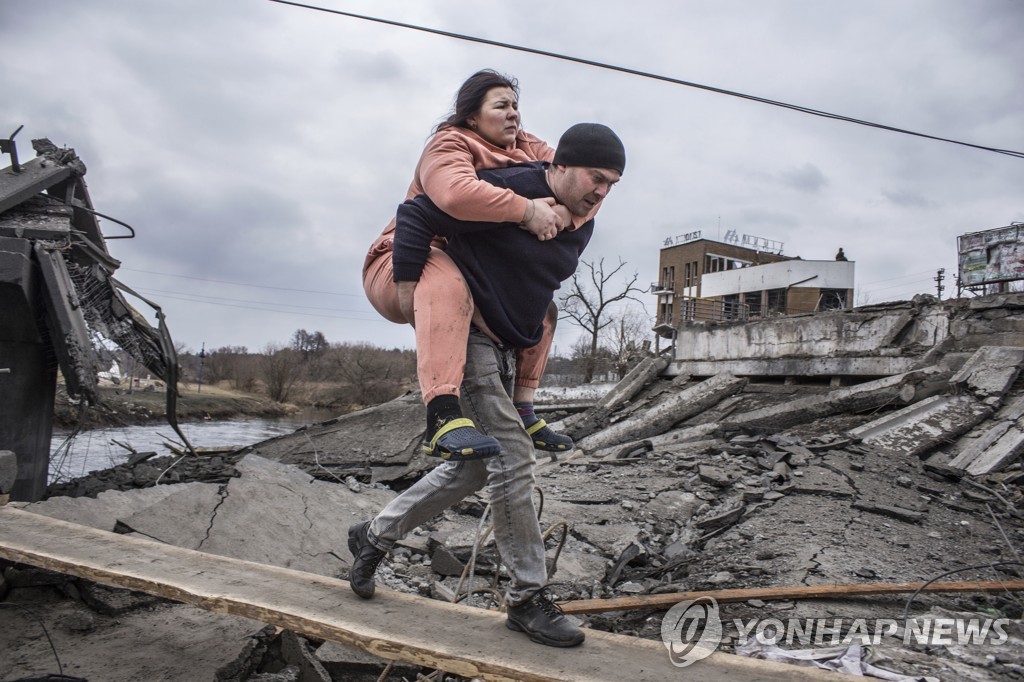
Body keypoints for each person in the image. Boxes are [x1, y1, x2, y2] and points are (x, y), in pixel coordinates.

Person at [349, 123, 626, 648]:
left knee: (477, 467)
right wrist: (410, 286)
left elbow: (535, 288)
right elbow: (418, 212)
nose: (602, 192)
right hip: (467, 332)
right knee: (514, 458)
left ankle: (374, 533)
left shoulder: (582, 219)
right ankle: (526, 597)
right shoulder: (516, 188)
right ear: (560, 167)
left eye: (613, 183)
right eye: (596, 178)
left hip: (503, 347)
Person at [362, 70, 592, 461]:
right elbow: (455, 196)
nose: (513, 115)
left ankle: (525, 408)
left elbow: (581, 182)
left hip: (464, 268)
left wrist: (564, 215)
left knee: (545, 312)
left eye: (516, 106)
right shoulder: (449, 143)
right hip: (404, 258)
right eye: (501, 106)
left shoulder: (529, 146)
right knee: (444, 279)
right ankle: (442, 417)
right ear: (472, 116)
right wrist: (527, 211)